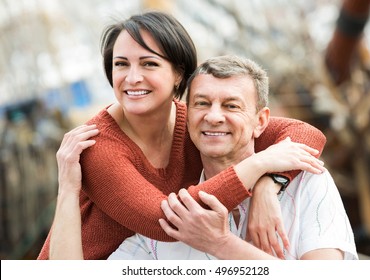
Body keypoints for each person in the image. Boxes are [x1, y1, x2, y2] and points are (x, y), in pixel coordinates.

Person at [40, 11, 326, 260]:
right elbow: (164, 219)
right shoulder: (96, 145)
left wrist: (269, 184)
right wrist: (257, 166)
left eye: (149, 64)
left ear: (178, 73)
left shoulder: (197, 120)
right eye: (121, 64)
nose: (132, 77)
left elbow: (305, 133)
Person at [106, 55, 357, 260]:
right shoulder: (174, 210)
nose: (214, 116)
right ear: (187, 116)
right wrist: (69, 194)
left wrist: (221, 244)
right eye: (202, 103)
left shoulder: (308, 183)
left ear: (260, 122)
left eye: (231, 106)